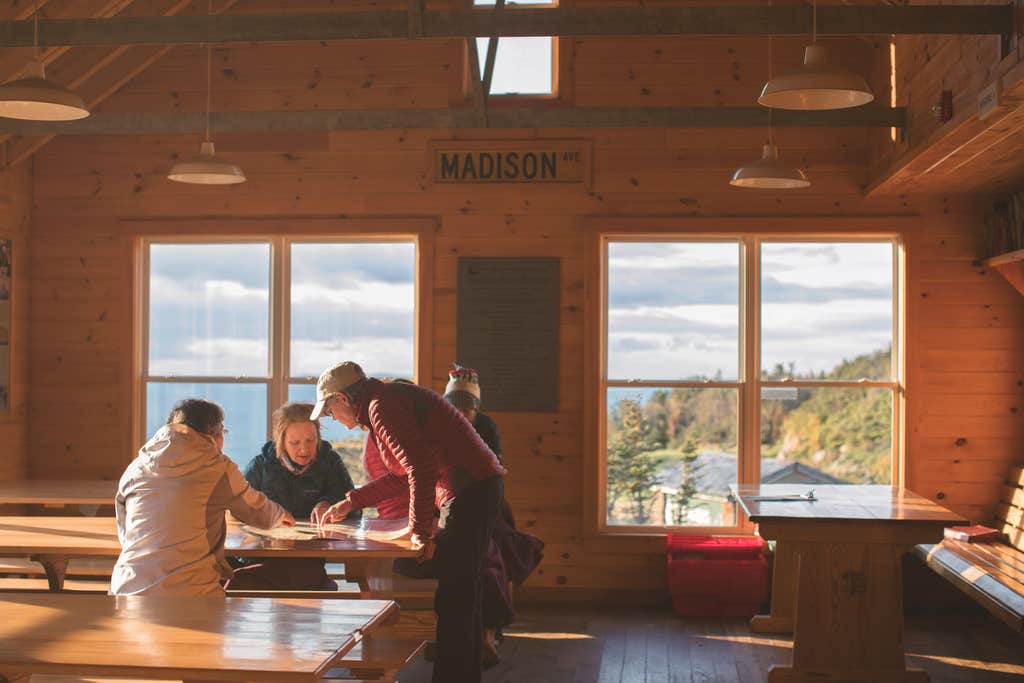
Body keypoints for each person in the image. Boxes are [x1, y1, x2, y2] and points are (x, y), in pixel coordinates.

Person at [313, 361, 505, 683]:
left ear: (342, 399)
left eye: (330, 411)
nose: (332, 417)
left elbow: (420, 469)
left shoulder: (381, 407)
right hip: (475, 488)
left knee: (455, 598)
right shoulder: (383, 401)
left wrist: (418, 531)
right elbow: (403, 475)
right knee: (461, 596)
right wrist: (352, 501)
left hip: (470, 490)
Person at [111, 398, 293, 596]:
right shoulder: (217, 467)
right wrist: (280, 516)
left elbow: (124, 527)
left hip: (127, 590)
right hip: (191, 592)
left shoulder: (137, 467)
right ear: (213, 434)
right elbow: (256, 511)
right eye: (222, 433)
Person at [443, 364, 545, 668]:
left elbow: (495, 467)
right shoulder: (441, 426)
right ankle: (485, 632)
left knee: (496, 550)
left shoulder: (487, 426)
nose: (462, 414)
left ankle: (488, 631)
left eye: (467, 409)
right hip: (449, 500)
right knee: (485, 558)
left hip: (486, 500)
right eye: (455, 408)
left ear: (476, 408)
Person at [226, 401, 360, 590]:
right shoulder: (261, 466)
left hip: (308, 559)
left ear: (319, 437)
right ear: (281, 441)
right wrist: (267, 516)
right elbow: (235, 511)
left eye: (310, 441)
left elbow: (355, 507)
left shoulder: (330, 462)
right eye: (295, 443)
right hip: (261, 556)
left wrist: (328, 503)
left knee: (307, 576)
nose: (304, 449)